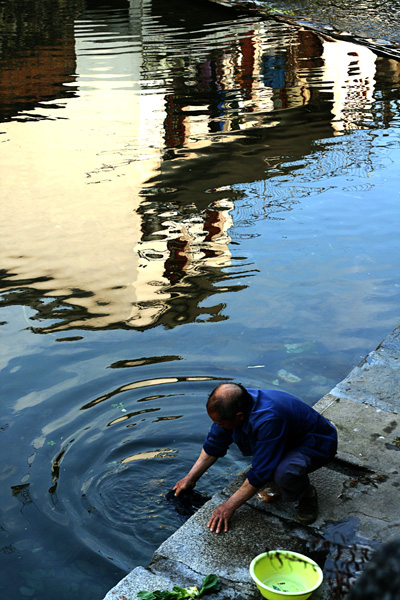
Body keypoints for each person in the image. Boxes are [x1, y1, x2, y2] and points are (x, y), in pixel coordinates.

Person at [173, 383, 337, 533]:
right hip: (286, 437)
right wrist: (190, 478)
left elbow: (259, 473)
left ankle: (306, 494)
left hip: (316, 442)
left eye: (221, 423)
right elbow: (214, 444)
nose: (218, 426)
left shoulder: (268, 418)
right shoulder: (234, 404)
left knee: (284, 473)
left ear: (239, 416)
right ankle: (281, 462)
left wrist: (228, 506)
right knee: (257, 453)